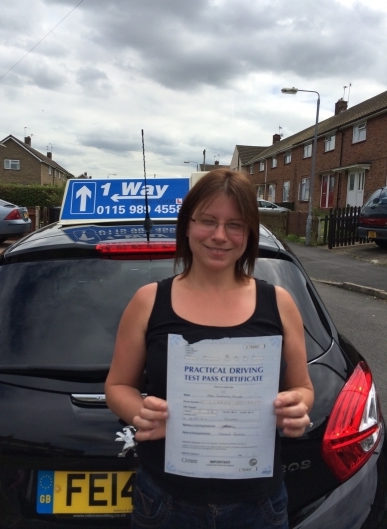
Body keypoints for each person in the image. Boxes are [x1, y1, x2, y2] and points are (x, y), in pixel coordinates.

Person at [105, 169, 314, 529]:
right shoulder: (149, 301)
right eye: (208, 221)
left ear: (249, 234)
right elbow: (116, 387)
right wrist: (141, 411)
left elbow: (303, 388)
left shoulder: (279, 303)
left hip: (257, 505)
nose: (220, 236)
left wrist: (298, 406)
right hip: (165, 502)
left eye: (235, 224)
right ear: (187, 226)